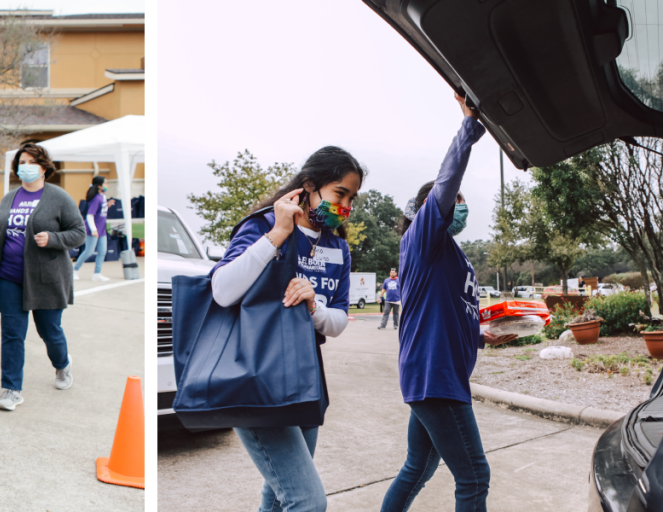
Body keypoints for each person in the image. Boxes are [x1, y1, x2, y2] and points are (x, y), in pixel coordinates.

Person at [380, 95, 517, 512]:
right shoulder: (421, 241)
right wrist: (469, 128)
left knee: (417, 468)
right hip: (435, 377)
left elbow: (455, 312)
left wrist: (484, 333)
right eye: (455, 202)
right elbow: (445, 181)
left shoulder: (452, 255)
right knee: (474, 476)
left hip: (440, 378)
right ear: (431, 210)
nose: (461, 208)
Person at [209, 146, 365, 512]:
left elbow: (339, 321)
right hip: (256, 376)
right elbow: (222, 291)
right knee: (307, 501)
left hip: (304, 378)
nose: (346, 206)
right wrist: (278, 233)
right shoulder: (264, 225)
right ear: (309, 186)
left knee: (278, 494)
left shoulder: (338, 248)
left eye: (352, 198)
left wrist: (314, 306)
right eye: (339, 193)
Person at [0, 142, 85, 411]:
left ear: (44, 167)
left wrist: (54, 238)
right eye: (21, 162)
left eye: (31, 162)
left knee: (50, 331)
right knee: (12, 334)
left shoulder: (58, 197)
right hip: (9, 277)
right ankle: (12, 389)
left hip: (46, 278)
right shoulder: (9, 198)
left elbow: (79, 232)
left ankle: (62, 364)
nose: (25, 167)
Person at [72, 175, 116, 281]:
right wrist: (93, 229)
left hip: (102, 229)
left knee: (102, 251)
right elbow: (89, 215)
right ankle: (74, 270)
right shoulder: (96, 198)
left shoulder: (103, 196)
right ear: (99, 185)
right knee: (89, 251)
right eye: (105, 183)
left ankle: (97, 273)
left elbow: (101, 211)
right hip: (93, 229)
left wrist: (108, 205)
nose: (107, 185)